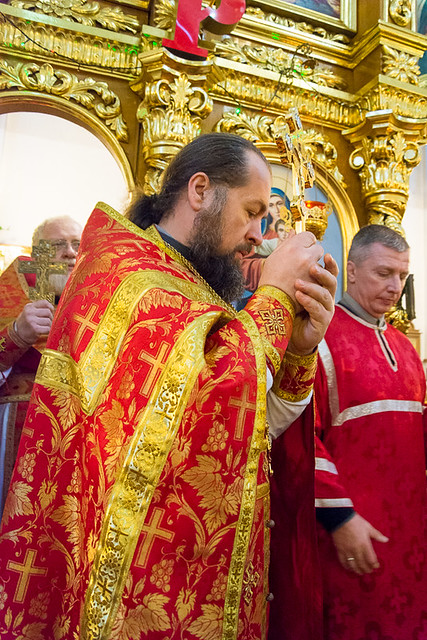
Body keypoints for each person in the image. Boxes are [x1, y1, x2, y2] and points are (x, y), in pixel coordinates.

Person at [0, 133, 337, 640]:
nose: (257, 235)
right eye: (251, 212)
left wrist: (300, 349)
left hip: (194, 561)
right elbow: (201, 402)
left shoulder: (194, 286)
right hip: (132, 569)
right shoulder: (127, 276)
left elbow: (242, 429)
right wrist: (270, 297)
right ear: (200, 190)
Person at [314, 225, 427, 640]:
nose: (395, 286)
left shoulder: (407, 348)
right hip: (351, 538)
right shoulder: (320, 341)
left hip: (412, 537)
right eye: (383, 273)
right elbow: (300, 439)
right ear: (352, 270)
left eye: (401, 275)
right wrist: (340, 518)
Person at [0, 215, 82, 515]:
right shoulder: (7, 295)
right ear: (37, 256)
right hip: (15, 438)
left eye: (77, 244)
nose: (70, 252)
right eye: (58, 245)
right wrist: (16, 335)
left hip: (76, 443)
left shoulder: (101, 303)